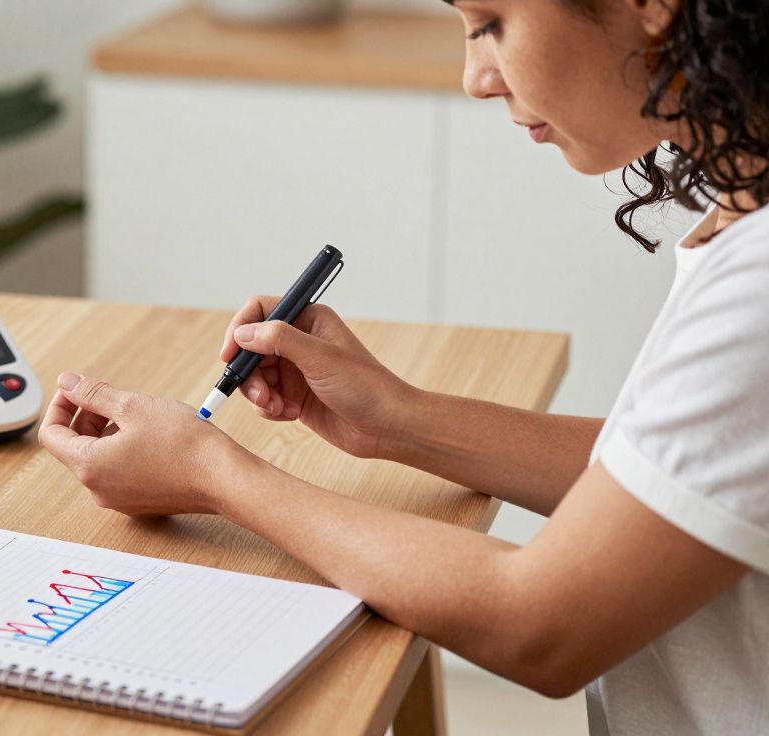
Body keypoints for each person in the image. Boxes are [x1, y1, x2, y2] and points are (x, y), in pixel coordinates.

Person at [38, 1, 769, 733]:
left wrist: (212, 473)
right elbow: (670, 482)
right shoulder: (743, 211)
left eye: (491, 23)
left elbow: (540, 624)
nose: (475, 78)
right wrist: (395, 420)